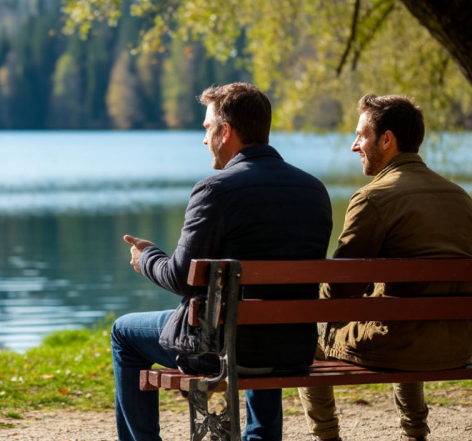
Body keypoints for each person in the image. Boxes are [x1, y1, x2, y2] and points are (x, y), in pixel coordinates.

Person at [114, 82, 333, 441]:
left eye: (206, 128)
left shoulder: (215, 190)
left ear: (226, 130)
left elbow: (181, 278)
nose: (204, 139)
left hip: (221, 350)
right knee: (257, 318)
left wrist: (146, 256)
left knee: (123, 332)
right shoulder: (313, 190)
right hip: (294, 347)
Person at [297, 94, 472, 441]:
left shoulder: (373, 197)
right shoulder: (460, 196)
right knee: (401, 314)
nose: (354, 146)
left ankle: (327, 437)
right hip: (457, 345)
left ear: (387, 139)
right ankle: (415, 432)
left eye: (361, 135)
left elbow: (339, 290)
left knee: (303, 336)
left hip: (399, 346)